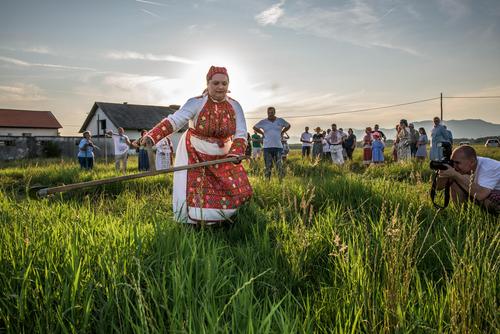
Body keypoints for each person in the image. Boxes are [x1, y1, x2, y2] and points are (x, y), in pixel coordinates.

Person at [142, 66, 252, 224]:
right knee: (196, 191)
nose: (220, 87)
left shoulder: (235, 106)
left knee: (234, 188)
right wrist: (153, 136)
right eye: (215, 83)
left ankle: (225, 221)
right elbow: (175, 120)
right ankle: (193, 224)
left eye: (224, 83)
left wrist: (235, 153)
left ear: (228, 85)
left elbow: (241, 133)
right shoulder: (196, 103)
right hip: (195, 152)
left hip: (225, 154)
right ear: (207, 84)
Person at [437, 145, 500, 214]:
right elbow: (438, 187)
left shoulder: (488, 167)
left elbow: (481, 194)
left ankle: (494, 219)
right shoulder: (466, 164)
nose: (454, 166)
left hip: (492, 193)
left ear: (472, 162)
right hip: (486, 191)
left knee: (488, 200)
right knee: (456, 181)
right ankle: (461, 214)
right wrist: (443, 173)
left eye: (457, 163)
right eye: (452, 162)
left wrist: (455, 174)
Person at [253, 106, 291, 180]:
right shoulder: (263, 121)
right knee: (268, 166)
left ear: (274, 112)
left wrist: (282, 132)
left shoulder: (280, 120)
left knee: (279, 166)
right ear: (267, 113)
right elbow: (254, 127)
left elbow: (288, 125)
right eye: (269, 112)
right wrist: (262, 133)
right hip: (267, 147)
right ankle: (267, 182)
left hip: (278, 147)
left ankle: (281, 182)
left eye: (272, 112)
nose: (270, 114)